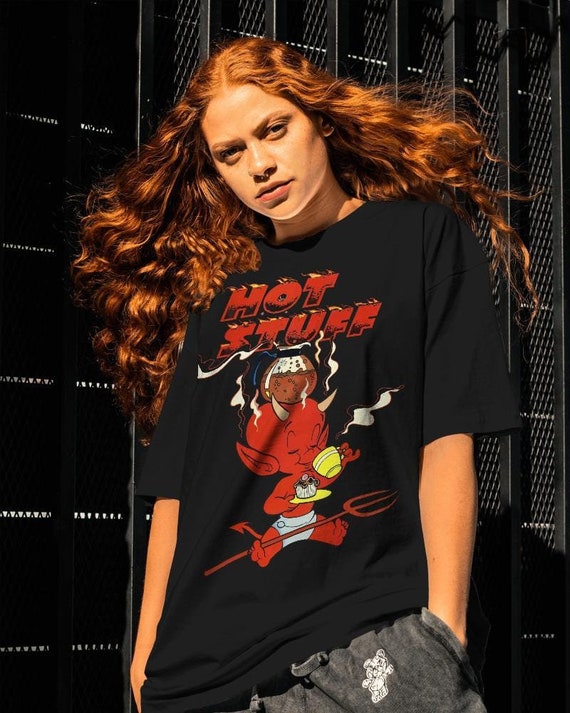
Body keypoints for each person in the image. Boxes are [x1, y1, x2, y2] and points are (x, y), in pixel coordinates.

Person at [71, 36, 539, 713]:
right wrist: (145, 665)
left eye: (274, 130)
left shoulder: (421, 239)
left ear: (318, 118)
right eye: (231, 153)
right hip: (199, 675)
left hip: (364, 657)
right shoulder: (217, 289)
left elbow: (447, 437)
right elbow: (176, 492)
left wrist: (444, 632)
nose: (260, 164)